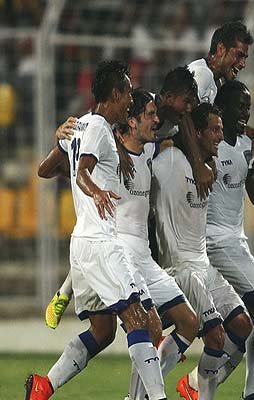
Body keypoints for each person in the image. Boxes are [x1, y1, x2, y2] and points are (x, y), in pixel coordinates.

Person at [29, 60, 167, 400]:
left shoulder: (81, 125)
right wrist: (95, 190)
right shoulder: (99, 128)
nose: (131, 101)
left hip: (84, 245)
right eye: (128, 94)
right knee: (141, 320)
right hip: (101, 242)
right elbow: (82, 173)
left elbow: (45, 169)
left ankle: (43, 387)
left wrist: (66, 146)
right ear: (115, 94)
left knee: (104, 331)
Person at [44, 65, 200, 330]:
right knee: (140, 322)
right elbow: (100, 134)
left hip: (128, 231)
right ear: (168, 98)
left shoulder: (159, 132)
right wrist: (114, 154)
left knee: (107, 332)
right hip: (112, 231)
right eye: (186, 102)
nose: (188, 108)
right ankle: (66, 291)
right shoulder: (131, 111)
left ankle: (67, 290)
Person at [179, 80, 254, 400]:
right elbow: (185, 129)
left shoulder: (247, 145)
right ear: (223, 110)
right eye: (240, 107)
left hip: (236, 240)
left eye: (248, 107)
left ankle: (200, 383)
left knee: (249, 319)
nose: (246, 113)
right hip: (213, 241)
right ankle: (247, 391)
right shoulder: (210, 145)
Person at [152, 103, 252, 400]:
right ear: (196, 133)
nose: (221, 136)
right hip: (180, 267)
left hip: (203, 264)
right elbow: (139, 167)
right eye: (215, 130)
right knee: (215, 335)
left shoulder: (210, 168)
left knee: (242, 325)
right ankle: (147, 389)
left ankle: (189, 385)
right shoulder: (170, 161)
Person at [111, 88, 201, 400]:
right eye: (149, 115)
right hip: (122, 252)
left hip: (145, 255)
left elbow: (175, 121)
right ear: (131, 121)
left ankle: (139, 396)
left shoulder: (150, 148)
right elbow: (88, 134)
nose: (156, 120)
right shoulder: (110, 150)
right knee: (150, 328)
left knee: (189, 323)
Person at [186, 21, 254, 179]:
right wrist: (198, 162)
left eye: (245, 58)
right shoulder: (202, 74)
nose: (243, 64)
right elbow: (184, 117)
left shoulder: (214, 82)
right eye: (239, 55)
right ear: (221, 49)